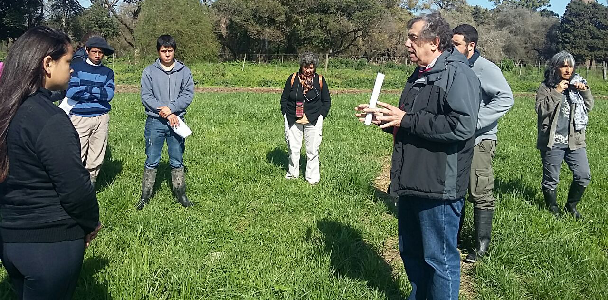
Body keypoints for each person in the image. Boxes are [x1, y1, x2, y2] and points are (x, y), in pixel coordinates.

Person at [356, 12, 481, 299]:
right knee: (411, 251)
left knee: (439, 259)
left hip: (438, 185)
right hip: (412, 180)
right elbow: (413, 122)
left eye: (413, 38)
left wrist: (406, 120)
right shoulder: (419, 74)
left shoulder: (458, 74)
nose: (407, 43)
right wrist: (389, 120)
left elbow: (461, 126)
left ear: (435, 42)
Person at [0, 26, 101, 299]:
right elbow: (75, 188)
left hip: (11, 242)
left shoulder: (8, 112)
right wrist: (91, 223)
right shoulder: (49, 120)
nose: (71, 69)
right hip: (50, 245)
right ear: (47, 64)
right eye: (68, 61)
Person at [452, 24, 514, 263]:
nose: (453, 48)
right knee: (455, 189)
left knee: (479, 189)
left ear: (471, 46)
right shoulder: (454, 66)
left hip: (480, 140)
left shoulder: (485, 68)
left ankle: (481, 245)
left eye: (457, 44)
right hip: (455, 139)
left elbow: (506, 98)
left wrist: (475, 122)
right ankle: (453, 237)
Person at [136, 35, 194, 210]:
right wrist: (165, 112)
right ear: (158, 51)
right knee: (152, 158)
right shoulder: (149, 72)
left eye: (170, 51)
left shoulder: (184, 71)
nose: (167, 54)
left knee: (177, 158)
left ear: (174, 51)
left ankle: (180, 193)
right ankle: (145, 195)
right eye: (163, 51)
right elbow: (146, 96)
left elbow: (187, 95)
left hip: (177, 121)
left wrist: (172, 109)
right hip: (155, 121)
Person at [536, 51, 593, 220]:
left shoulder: (578, 84)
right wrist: (557, 91)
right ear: (555, 67)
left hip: (575, 140)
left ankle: (571, 206)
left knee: (583, 175)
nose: (568, 69)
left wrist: (584, 91)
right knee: (551, 179)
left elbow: (589, 107)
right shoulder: (546, 87)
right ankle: (553, 210)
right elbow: (541, 110)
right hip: (553, 140)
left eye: (570, 66)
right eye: (563, 66)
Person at [65, 36, 115, 186]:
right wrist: (97, 91)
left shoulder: (108, 72)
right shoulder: (76, 68)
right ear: (87, 50)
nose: (97, 55)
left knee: (97, 154)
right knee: (77, 153)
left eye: (100, 52)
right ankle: (75, 185)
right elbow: (72, 92)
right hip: (80, 117)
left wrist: (86, 89)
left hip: (101, 117)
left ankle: (91, 185)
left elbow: (108, 95)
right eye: (94, 51)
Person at [280, 52, 331, 185]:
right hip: (293, 118)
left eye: (311, 67)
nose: (308, 70)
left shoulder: (319, 80)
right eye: (306, 67)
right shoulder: (292, 78)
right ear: (301, 66)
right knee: (293, 148)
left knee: (312, 150)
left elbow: (326, 101)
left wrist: (321, 115)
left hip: (313, 119)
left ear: (315, 68)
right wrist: (285, 112)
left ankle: (312, 178)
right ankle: (292, 175)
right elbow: (284, 98)